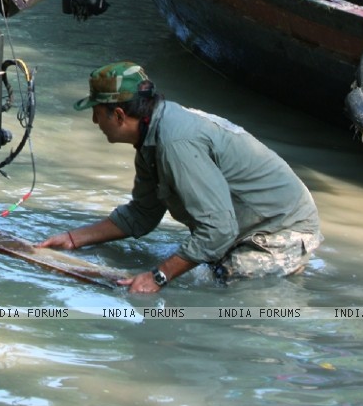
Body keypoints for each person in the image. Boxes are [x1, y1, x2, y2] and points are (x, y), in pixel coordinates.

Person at [37, 62, 321, 292]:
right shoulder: (152, 137)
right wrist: (72, 239)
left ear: (120, 115)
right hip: (243, 227)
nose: (94, 122)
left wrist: (157, 277)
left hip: (281, 231)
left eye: (97, 113)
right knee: (197, 269)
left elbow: (218, 230)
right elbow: (142, 214)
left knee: (220, 293)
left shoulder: (175, 143)